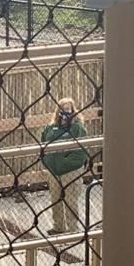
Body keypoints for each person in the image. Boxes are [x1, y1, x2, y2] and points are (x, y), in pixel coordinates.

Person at [40, 97, 91, 234]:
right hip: (53, 172)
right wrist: (47, 161)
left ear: (73, 110)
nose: (65, 111)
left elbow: (81, 152)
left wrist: (66, 162)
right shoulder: (51, 128)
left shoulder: (78, 128)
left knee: (71, 201)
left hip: (71, 171)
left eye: (68, 108)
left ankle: (73, 230)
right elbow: (43, 143)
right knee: (55, 200)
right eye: (63, 108)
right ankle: (58, 227)